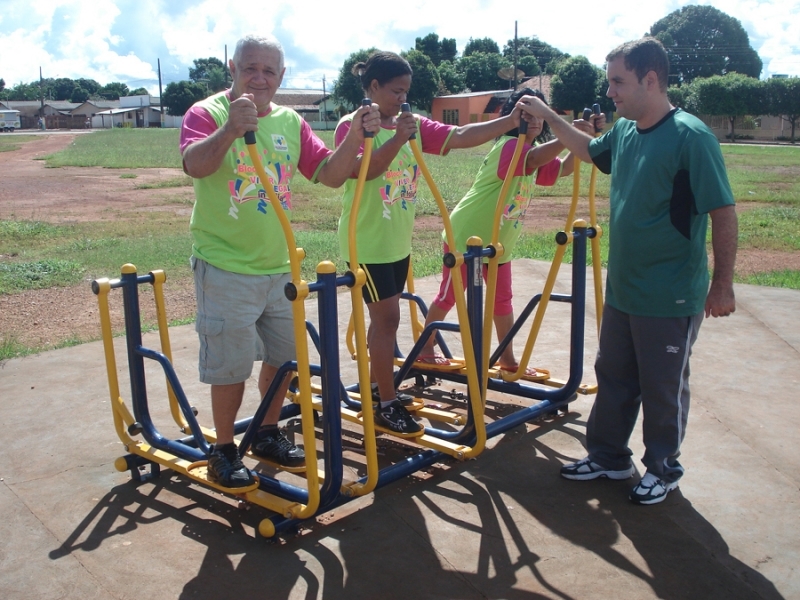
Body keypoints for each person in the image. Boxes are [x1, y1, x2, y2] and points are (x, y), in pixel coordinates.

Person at [518, 37, 737, 505]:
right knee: (614, 374)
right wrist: (552, 117)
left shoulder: (691, 137)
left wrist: (722, 285)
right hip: (625, 289)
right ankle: (609, 457)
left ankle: (663, 468)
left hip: (671, 293)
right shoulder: (625, 133)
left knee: (661, 387)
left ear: (651, 80)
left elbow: (723, 211)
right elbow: (588, 149)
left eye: (619, 81)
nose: (611, 92)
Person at [180, 34, 379, 488]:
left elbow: (329, 175)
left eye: (269, 71)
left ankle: (267, 431)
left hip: (280, 265)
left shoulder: (291, 121)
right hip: (226, 264)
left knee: (284, 358)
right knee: (230, 365)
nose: (259, 78)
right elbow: (194, 164)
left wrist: (354, 138)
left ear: (282, 77)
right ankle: (224, 450)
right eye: (250, 68)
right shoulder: (207, 113)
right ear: (232, 68)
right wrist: (230, 129)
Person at [336, 51, 525, 435]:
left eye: (407, 91)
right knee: (386, 319)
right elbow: (365, 172)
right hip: (366, 243)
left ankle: (379, 385)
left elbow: (459, 137)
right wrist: (398, 137)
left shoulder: (411, 124)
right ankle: (386, 402)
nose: (403, 98)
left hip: (397, 242)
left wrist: (510, 120)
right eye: (395, 91)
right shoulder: (355, 125)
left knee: (386, 321)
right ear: (373, 87)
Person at [418, 88, 602, 376]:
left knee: (502, 301)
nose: (535, 121)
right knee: (450, 295)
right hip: (467, 235)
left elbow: (563, 169)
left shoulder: (532, 152)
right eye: (528, 114)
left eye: (539, 115)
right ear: (513, 116)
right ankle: (425, 349)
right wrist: (565, 136)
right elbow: (531, 161)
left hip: (499, 243)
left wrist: (583, 138)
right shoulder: (508, 146)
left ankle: (508, 359)